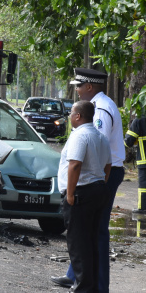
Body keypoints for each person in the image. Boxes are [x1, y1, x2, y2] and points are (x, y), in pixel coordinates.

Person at [51, 68, 126, 291]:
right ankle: (77, 275)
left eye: (79, 86)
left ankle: (97, 286)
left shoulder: (99, 110)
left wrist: (74, 191)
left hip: (101, 177)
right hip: (101, 175)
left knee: (95, 231)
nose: (76, 90)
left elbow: (92, 151)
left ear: (90, 87)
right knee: (87, 231)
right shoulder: (100, 105)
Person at [57, 100, 111, 292]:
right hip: (97, 190)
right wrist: (100, 183)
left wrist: (70, 194)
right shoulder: (100, 136)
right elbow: (108, 166)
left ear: (78, 116)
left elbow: (75, 164)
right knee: (91, 242)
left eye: (72, 113)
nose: (70, 116)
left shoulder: (80, 136)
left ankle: (82, 287)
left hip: (81, 193)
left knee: (79, 244)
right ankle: (91, 286)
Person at [125, 118, 146, 215]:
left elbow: (128, 141)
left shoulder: (139, 120)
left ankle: (143, 207)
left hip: (144, 159)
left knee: (143, 186)